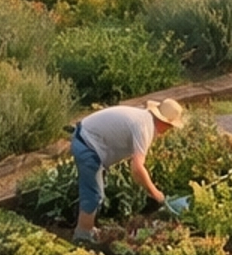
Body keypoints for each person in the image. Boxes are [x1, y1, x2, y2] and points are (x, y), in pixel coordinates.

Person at [71, 97, 187, 243]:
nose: (169, 131)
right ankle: (83, 234)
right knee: (94, 194)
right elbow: (137, 168)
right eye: (170, 127)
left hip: (86, 138)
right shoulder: (144, 128)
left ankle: (87, 229)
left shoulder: (144, 119)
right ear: (165, 123)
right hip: (87, 145)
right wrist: (156, 193)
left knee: (94, 190)